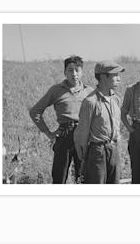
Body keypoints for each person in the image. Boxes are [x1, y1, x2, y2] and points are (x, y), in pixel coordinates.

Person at [29, 55, 93, 184]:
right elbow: (35, 111)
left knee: (83, 176)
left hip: (84, 136)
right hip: (64, 135)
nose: (74, 74)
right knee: (59, 176)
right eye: (70, 70)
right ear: (65, 72)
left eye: (77, 70)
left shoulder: (89, 91)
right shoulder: (56, 90)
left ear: (82, 72)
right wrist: (48, 133)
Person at [74, 60, 125, 184]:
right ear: (103, 77)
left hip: (113, 148)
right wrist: (85, 158)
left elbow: (117, 127)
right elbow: (82, 133)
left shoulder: (116, 99)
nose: (119, 78)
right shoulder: (91, 102)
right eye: (115, 75)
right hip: (97, 151)